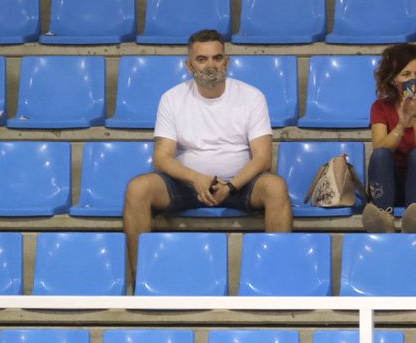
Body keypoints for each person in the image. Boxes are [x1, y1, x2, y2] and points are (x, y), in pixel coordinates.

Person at [123, 29, 291, 284]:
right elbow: (163, 157)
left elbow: (262, 158)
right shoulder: (172, 98)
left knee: (276, 187)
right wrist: (196, 178)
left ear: (227, 61)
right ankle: (142, 282)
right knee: (137, 189)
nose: (210, 65)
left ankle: (277, 282)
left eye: (217, 58)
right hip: (187, 185)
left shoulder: (252, 96)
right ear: (189, 65)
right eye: (202, 59)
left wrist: (231, 185)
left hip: (239, 185)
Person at [363, 43, 416, 234]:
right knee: (380, 155)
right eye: (406, 74)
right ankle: (384, 218)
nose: (414, 80)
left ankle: (413, 217)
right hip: (395, 188)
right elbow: (379, 147)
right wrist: (402, 125)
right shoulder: (380, 107)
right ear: (393, 79)